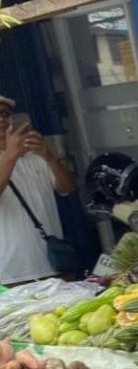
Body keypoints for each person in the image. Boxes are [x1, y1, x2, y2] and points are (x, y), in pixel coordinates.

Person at [0, 97, 75, 285]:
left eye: (5, 114)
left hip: (54, 265)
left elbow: (67, 188)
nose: (1, 119)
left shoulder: (35, 157)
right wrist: (10, 155)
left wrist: (49, 156)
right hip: (13, 274)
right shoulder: (10, 157)